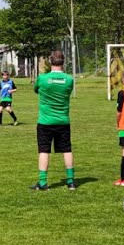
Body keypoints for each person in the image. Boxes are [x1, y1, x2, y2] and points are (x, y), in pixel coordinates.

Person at [30, 50, 76, 191]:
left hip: (45, 121)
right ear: (63, 62)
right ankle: (71, 181)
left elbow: (36, 90)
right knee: (66, 150)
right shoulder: (69, 80)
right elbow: (67, 92)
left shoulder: (42, 78)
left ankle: (43, 182)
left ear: (50, 61)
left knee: (44, 151)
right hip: (63, 121)